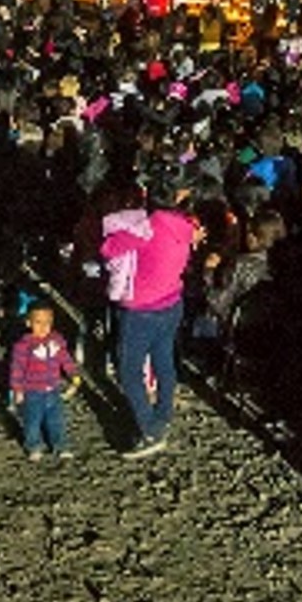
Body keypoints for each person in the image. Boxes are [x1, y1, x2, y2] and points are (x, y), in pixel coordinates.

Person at [101, 172, 200, 457]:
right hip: (171, 302)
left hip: (141, 310)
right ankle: (163, 412)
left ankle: (149, 430)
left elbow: (108, 248)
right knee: (164, 360)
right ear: (180, 196)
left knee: (129, 371)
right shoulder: (185, 226)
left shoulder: (145, 229)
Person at [8, 302, 79, 461]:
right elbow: (17, 369)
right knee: (32, 421)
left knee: (57, 420)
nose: (43, 327)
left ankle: (61, 445)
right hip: (32, 391)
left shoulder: (56, 341)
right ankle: (33, 446)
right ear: (29, 323)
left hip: (53, 389)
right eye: (38, 322)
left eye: (47, 323)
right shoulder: (23, 346)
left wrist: (73, 374)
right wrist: (17, 390)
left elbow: (65, 358)